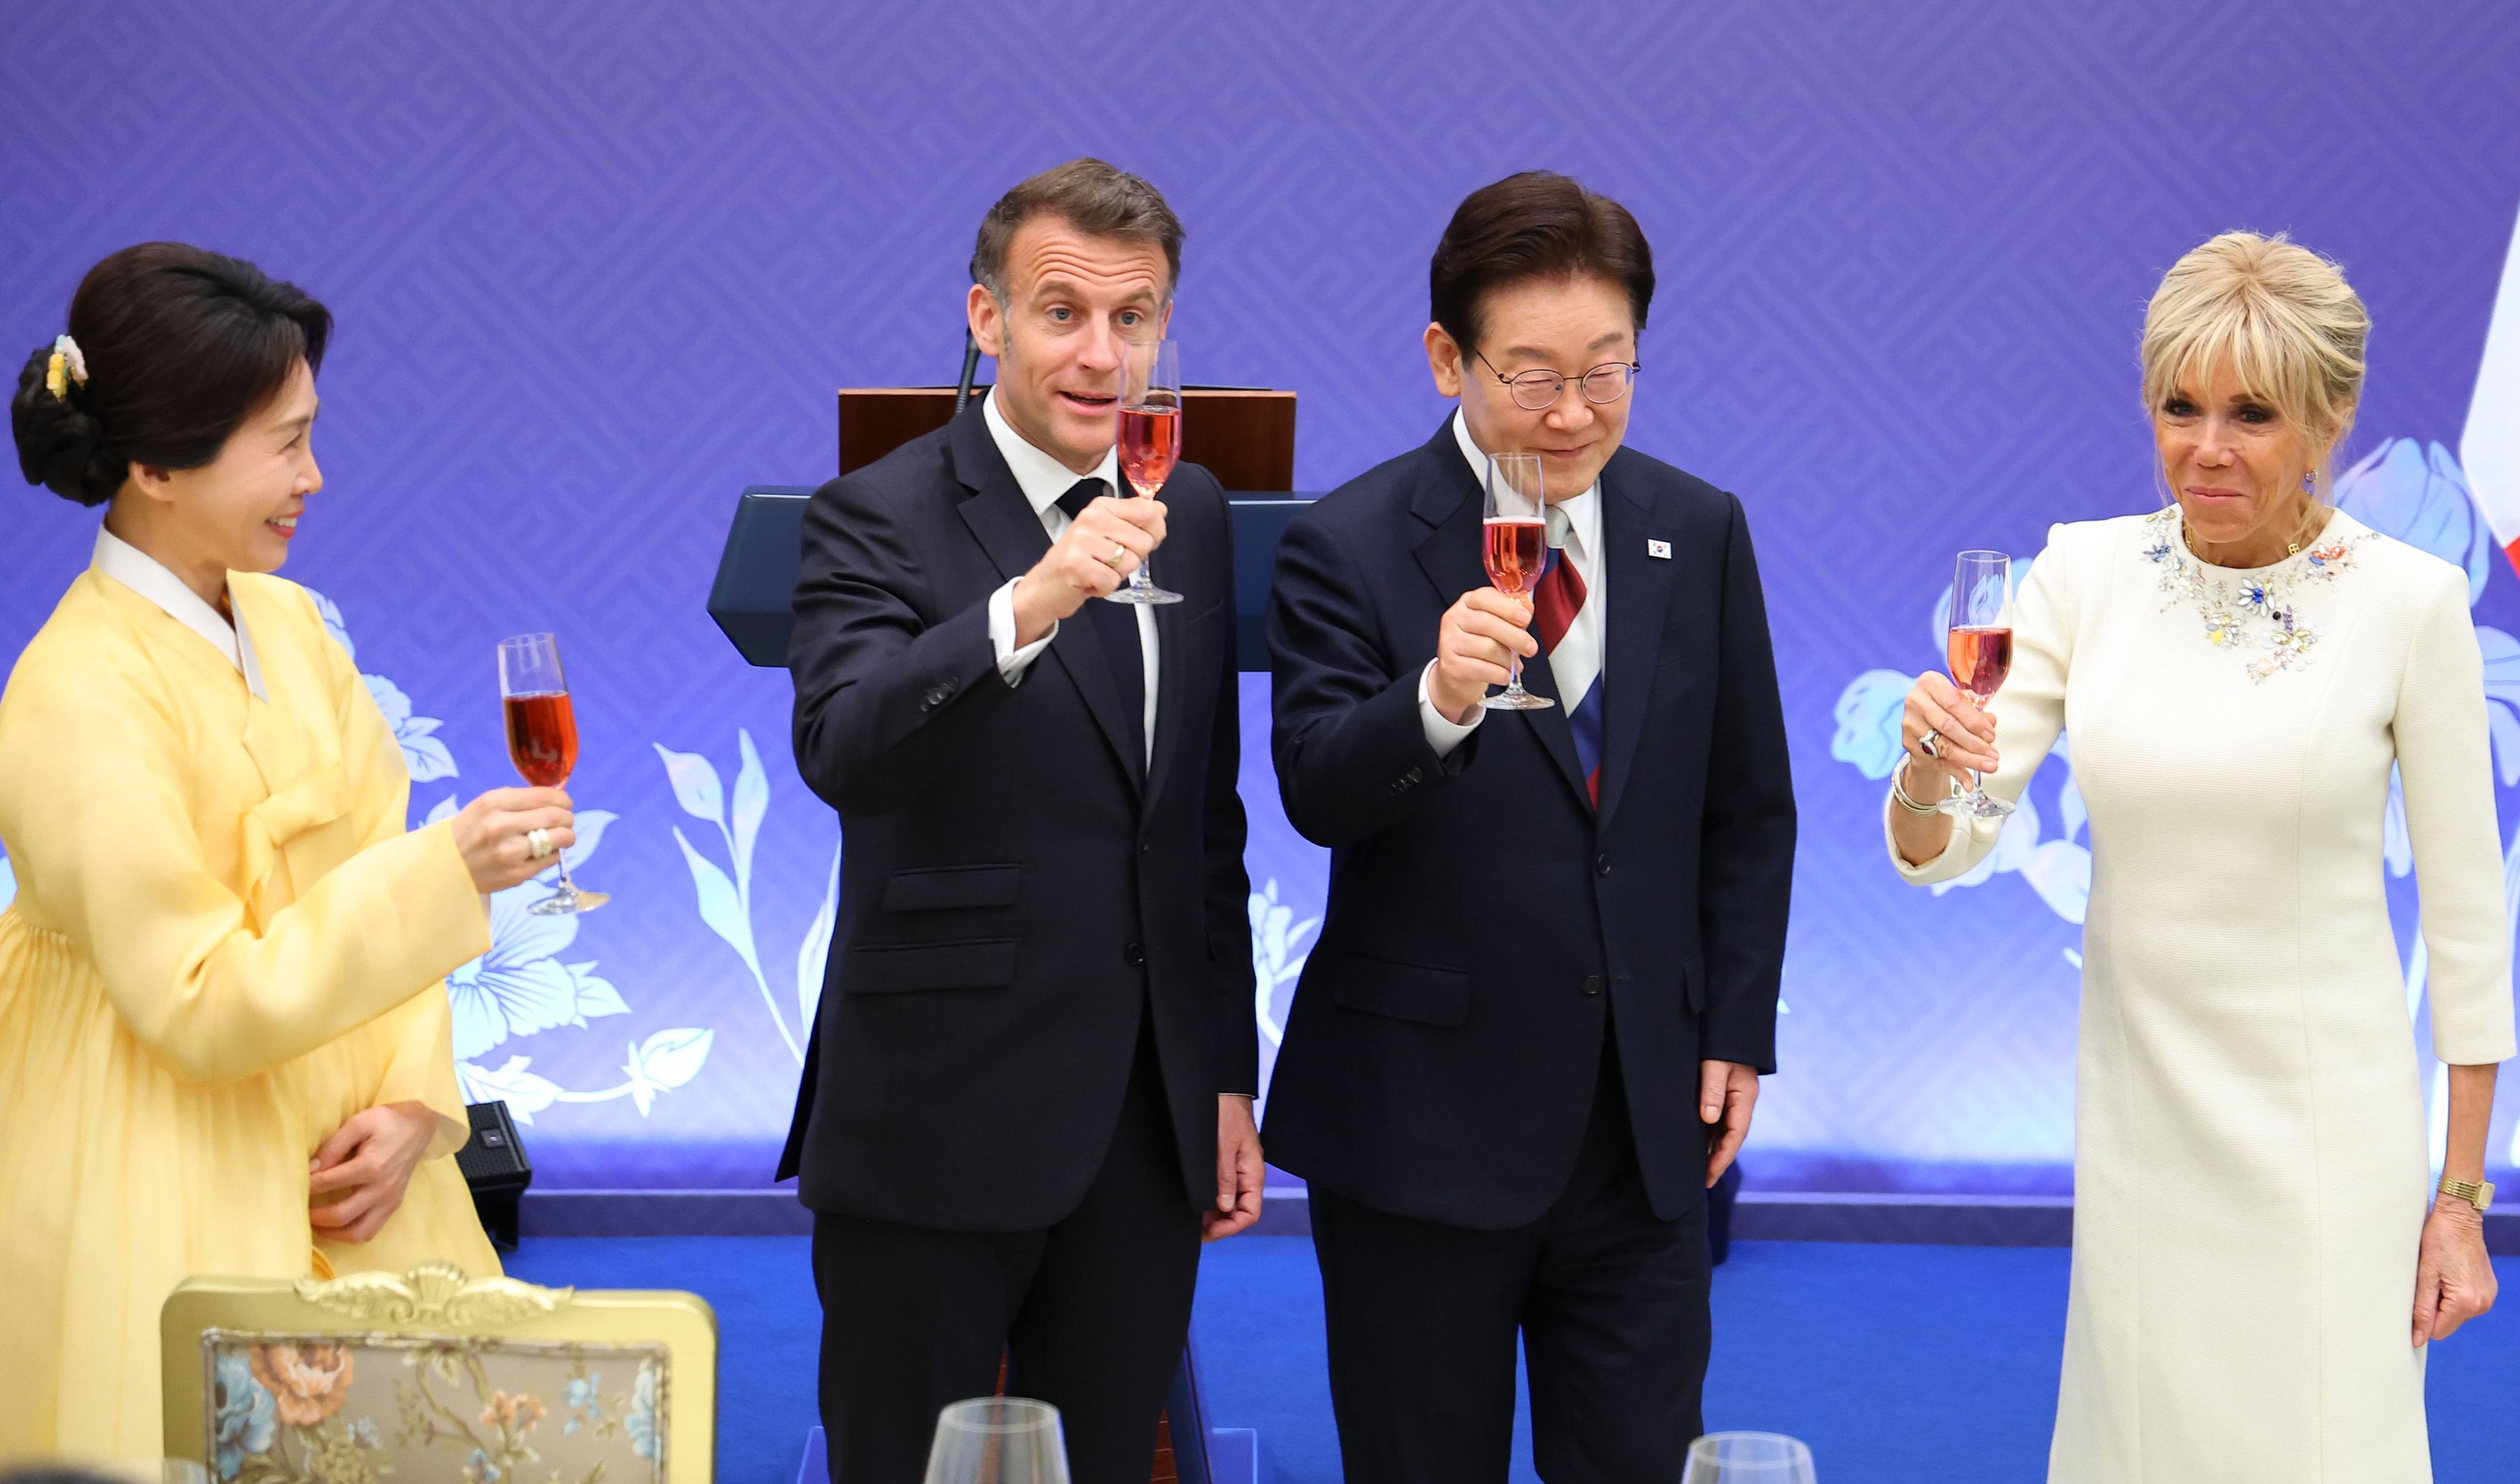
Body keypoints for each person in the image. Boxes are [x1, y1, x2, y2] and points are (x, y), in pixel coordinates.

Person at [1888, 231, 2511, 1481]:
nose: (2204, 449)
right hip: (2141, 1154)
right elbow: (1944, 853)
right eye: (2177, 407)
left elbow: (2464, 928)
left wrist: (2456, 1202)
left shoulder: (2407, 604)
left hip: (2331, 1163)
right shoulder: (2081, 575)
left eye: (2250, 414)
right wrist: (1924, 765)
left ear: (2327, 421)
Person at [0, 243, 572, 1466]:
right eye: (285, 443)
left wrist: (417, 1100)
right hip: (152, 1139)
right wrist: (447, 874)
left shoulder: (291, 621)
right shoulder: (75, 695)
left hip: (349, 1142)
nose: (315, 477)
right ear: (154, 465)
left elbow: (370, 856)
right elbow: (196, 1002)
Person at [1264, 172, 1796, 1482]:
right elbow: (1314, 787)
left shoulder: (1695, 527)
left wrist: (1732, 1023)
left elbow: (1747, 808)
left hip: (1639, 1130)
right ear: (1446, 357)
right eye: (1531, 376)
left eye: (1605, 370)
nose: (1571, 414)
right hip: (1417, 1137)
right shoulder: (1347, 541)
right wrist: (1433, 699)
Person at [780, 159, 1260, 1484]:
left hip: (1139, 1128)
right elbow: (843, 746)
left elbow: (1197, 830)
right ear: (984, 319)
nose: (1101, 353)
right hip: (936, 1115)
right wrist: (1028, 603)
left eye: (1135, 317)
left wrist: (1223, 1074)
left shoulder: (1195, 515)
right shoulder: (870, 513)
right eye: (1062, 313)